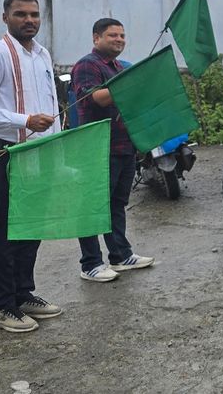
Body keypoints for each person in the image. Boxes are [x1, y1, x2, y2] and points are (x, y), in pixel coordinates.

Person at [0, 0, 62, 332]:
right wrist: (23, 121)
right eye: (20, 14)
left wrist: (58, 148)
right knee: (7, 229)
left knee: (32, 226)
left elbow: (50, 103)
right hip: (10, 151)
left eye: (34, 14)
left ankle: (23, 294)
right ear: (5, 17)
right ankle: (1, 307)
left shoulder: (43, 54)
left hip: (41, 151)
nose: (29, 20)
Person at [73, 18, 155, 283]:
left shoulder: (119, 67)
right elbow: (94, 97)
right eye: (112, 35)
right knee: (93, 206)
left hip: (123, 146)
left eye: (122, 35)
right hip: (98, 148)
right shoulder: (88, 65)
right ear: (97, 38)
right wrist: (129, 83)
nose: (119, 39)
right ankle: (91, 263)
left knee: (117, 204)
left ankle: (120, 255)